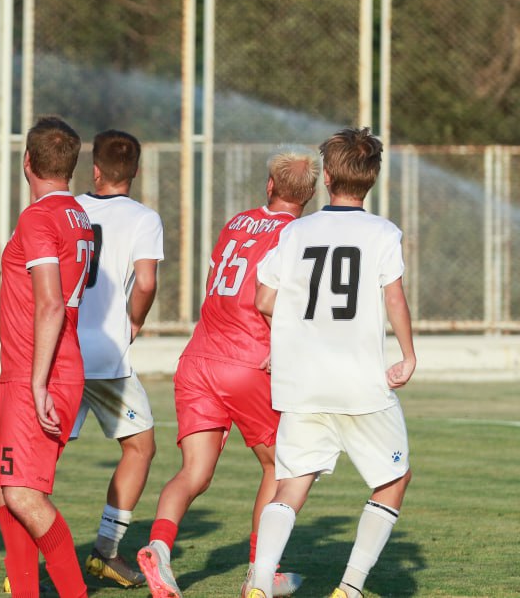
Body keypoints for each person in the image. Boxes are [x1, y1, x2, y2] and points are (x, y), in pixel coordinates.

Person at [137, 151, 318, 598]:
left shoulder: (237, 223)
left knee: (193, 472)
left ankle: (159, 548)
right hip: (249, 360)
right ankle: (262, 572)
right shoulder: (300, 235)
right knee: (279, 466)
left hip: (199, 356)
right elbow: (288, 303)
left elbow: (215, 283)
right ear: (311, 194)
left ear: (270, 186)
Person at [246, 128, 416, 598]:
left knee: (291, 485)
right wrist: (408, 354)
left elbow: (264, 299)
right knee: (394, 478)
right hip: (359, 382)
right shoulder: (382, 232)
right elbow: (394, 298)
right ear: (372, 177)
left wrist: (293, 332)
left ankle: (259, 583)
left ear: (326, 178)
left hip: (301, 382)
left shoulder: (295, 231)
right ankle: (350, 586)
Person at [0, 116, 97, 598]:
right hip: (28, 369)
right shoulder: (76, 215)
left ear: (27, 162)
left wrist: (38, 384)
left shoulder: (38, 218)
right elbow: (28, 297)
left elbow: (51, 304)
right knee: (0, 489)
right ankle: (24, 590)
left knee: (22, 493)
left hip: (40, 373)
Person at [67, 130, 163, 588]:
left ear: (95, 170)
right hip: (106, 352)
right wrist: (134, 321)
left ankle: (21, 560)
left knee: (40, 453)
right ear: (136, 172)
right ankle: (106, 551)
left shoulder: (68, 209)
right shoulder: (144, 218)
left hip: (60, 348)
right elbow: (145, 282)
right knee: (140, 446)